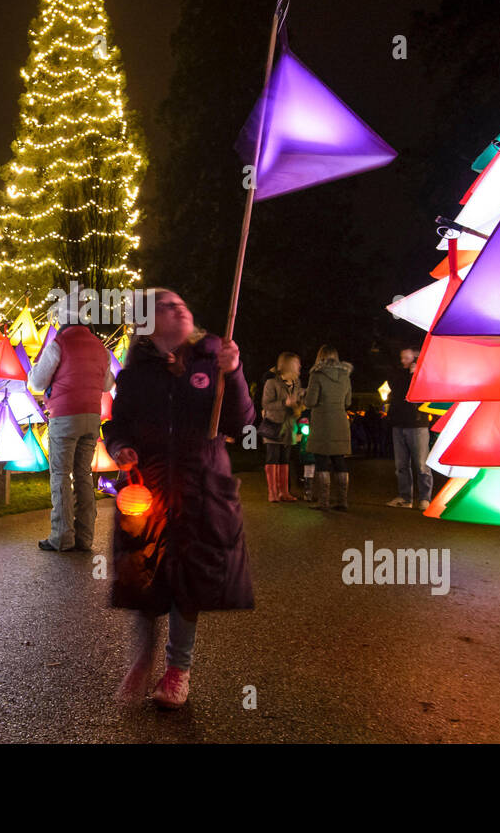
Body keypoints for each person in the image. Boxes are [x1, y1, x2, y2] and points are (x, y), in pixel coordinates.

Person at [104, 288, 255, 710]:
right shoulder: (134, 377)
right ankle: (143, 653)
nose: (180, 308)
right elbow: (117, 427)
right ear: (147, 324)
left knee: (188, 581)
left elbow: (242, 419)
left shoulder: (212, 362)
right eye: (166, 307)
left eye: (182, 304)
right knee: (144, 573)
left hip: (200, 488)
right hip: (148, 491)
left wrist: (235, 371)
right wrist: (120, 449)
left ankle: (177, 671)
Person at [27, 304, 115, 552]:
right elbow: (107, 384)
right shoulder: (100, 347)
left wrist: (37, 369)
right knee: (84, 475)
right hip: (91, 416)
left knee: (61, 476)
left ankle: (62, 537)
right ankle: (85, 537)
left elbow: (36, 382)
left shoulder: (59, 344)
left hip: (65, 416)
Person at [303, 345, 353, 511]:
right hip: (340, 421)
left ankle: (324, 502)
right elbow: (348, 402)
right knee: (339, 460)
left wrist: (304, 395)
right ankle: (342, 501)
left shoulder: (317, 375)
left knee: (321, 460)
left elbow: (310, 401)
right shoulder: (345, 375)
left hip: (322, 422)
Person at [386, 346, 432, 509]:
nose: (403, 361)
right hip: (399, 423)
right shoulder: (399, 374)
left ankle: (425, 498)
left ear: (414, 358)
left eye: (406, 358)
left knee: (421, 464)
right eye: (402, 358)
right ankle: (406, 498)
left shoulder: (423, 374)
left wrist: (416, 374)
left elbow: (424, 393)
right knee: (401, 465)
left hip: (417, 422)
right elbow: (396, 389)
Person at [260, 352, 303, 502]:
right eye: (297, 364)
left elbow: (297, 404)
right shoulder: (272, 383)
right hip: (274, 427)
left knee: (285, 460)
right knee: (273, 459)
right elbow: (266, 404)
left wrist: (299, 406)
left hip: (289, 428)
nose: (300, 367)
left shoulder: (297, 384)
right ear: (289, 365)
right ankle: (273, 493)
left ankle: (284, 492)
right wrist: (284, 404)